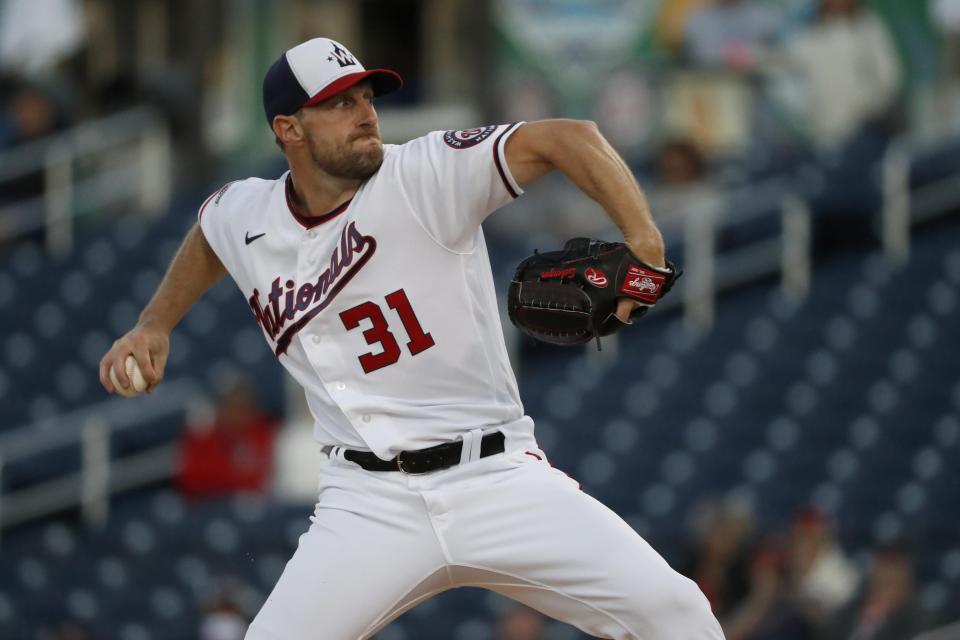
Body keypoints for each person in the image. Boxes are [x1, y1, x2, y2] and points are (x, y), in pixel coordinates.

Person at [99, 37, 723, 639]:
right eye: (340, 103)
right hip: (367, 502)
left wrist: (646, 242)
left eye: (367, 97)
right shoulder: (246, 212)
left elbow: (571, 137)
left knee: (676, 612)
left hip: (494, 477)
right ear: (289, 129)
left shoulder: (425, 172)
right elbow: (210, 233)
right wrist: (154, 323)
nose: (366, 114)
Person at [175, 379, 277, 499]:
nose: (236, 414)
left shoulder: (263, 434)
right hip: (207, 504)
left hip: (252, 504)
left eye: (242, 407)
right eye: (231, 406)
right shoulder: (201, 436)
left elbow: (260, 479)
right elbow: (189, 478)